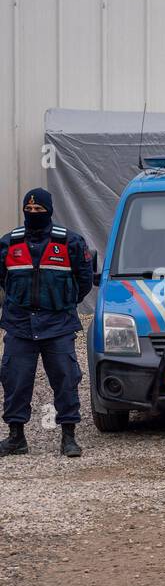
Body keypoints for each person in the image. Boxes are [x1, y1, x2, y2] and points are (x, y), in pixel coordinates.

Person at [0, 188, 94, 457]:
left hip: (58, 325)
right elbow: (3, 279)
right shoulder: (9, 243)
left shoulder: (70, 243)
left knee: (65, 379)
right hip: (20, 325)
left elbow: (84, 281)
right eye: (29, 211)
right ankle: (16, 438)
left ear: (49, 211)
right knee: (15, 380)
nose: (33, 214)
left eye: (39, 210)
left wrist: (63, 303)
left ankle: (68, 438)